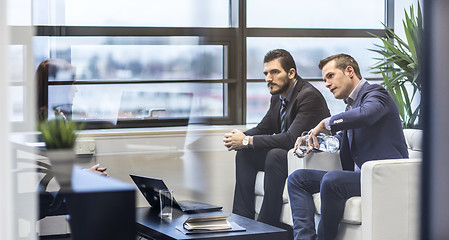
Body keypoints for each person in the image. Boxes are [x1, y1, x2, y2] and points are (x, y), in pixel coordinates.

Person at [287, 53, 409, 240]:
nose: (327, 84)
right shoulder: (350, 107)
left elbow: (367, 115)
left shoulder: (376, 93)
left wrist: (326, 123)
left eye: (330, 76)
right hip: (359, 177)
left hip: (381, 178)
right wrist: (314, 141)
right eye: (324, 79)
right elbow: (341, 139)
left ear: (349, 71)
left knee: (332, 179)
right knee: (297, 179)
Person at [223, 49, 330, 229]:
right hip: (289, 156)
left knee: (275, 154)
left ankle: (267, 226)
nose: (268, 79)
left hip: (311, 159)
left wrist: (246, 141)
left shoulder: (308, 96)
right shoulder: (278, 97)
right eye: (266, 73)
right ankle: (241, 222)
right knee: (245, 154)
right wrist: (240, 137)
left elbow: (290, 139)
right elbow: (264, 128)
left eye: (274, 72)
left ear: (291, 73)